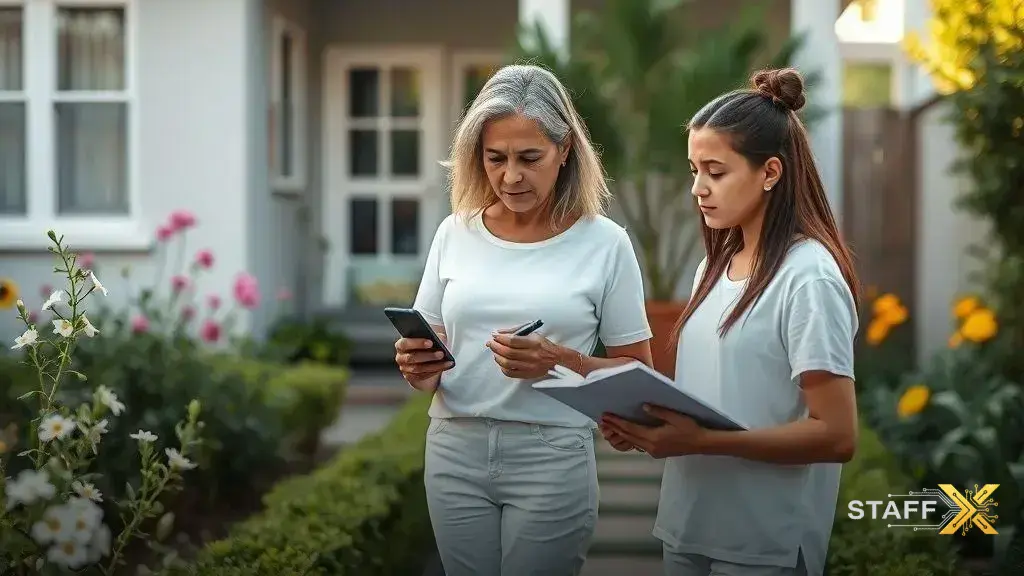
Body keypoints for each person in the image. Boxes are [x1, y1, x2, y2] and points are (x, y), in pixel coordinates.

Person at [393, 63, 654, 576]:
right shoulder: (454, 232)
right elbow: (430, 364)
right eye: (496, 158)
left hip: (551, 453)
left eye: (529, 158)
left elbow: (638, 374)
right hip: (454, 448)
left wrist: (560, 360)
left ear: (565, 151)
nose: (510, 176)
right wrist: (417, 366)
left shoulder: (605, 244)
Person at [598, 67, 861, 576]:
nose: (698, 188)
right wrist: (647, 426)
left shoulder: (808, 278)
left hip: (763, 544)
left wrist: (702, 443)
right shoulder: (713, 268)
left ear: (770, 172)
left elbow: (836, 435)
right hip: (688, 528)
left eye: (715, 172)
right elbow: (717, 395)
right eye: (694, 170)